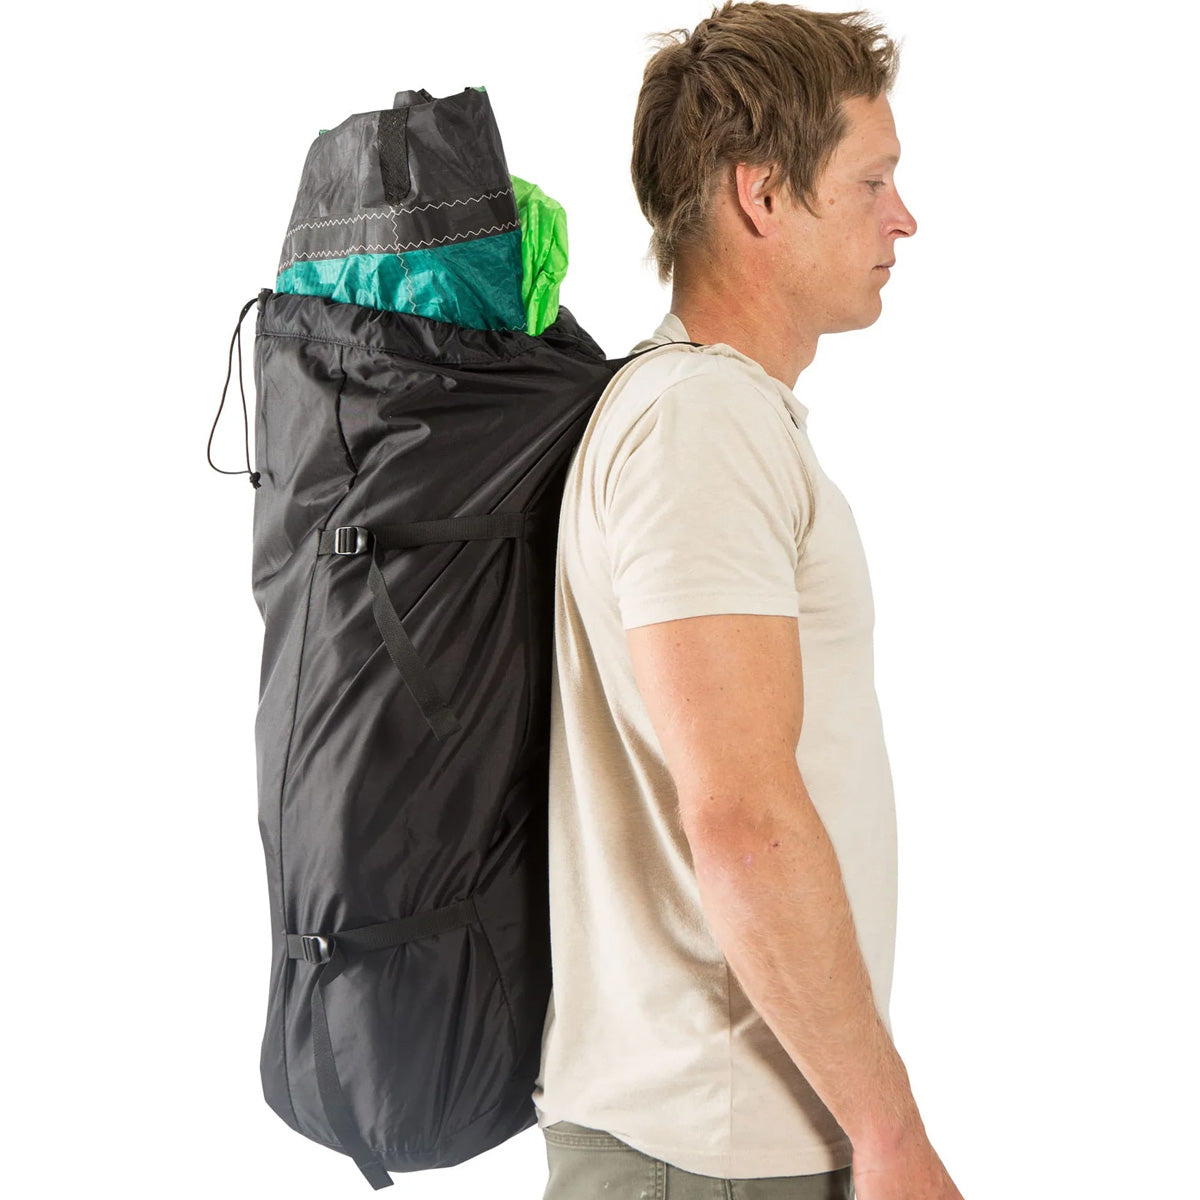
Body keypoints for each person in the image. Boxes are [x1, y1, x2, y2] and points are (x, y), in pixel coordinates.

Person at [532, 4, 963, 1198]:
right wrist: (891, 1133)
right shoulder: (701, 424)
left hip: (718, 1142)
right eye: (870, 180)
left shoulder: (702, 415)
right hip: (707, 1157)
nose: (903, 217)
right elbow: (742, 816)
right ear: (761, 195)